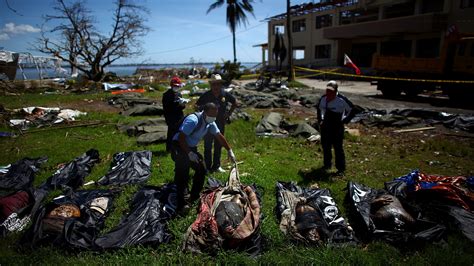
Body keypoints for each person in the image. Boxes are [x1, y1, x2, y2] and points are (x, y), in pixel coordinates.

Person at [172, 102, 236, 213]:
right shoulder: (193, 120)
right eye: (211, 115)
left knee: (201, 169)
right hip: (179, 146)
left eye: (215, 115)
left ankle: (194, 196)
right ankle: (182, 204)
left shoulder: (210, 122)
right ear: (204, 112)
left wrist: (229, 150)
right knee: (183, 172)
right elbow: (181, 138)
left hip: (191, 147)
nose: (213, 118)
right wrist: (189, 154)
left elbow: (219, 136)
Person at [196, 74, 238, 173]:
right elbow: (197, 105)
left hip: (220, 123)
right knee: (207, 145)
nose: (216, 86)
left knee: (219, 144)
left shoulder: (225, 94)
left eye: (218, 84)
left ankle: (216, 166)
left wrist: (229, 113)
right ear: (211, 85)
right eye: (214, 84)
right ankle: (207, 166)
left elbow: (235, 102)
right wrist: (202, 114)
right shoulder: (206, 95)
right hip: (208, 124)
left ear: (220, 85)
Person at [316, 80, 354, 176]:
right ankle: (327, 165)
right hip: (326, 125)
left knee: (338, 147)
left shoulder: (341, 99)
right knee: (326, 146)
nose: (329, 93)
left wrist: (345, 120)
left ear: (336, 91)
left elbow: (353, 109)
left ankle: (341, 168)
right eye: (327, 90)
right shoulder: (323, 98)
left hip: (337, 125)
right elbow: (319, 109)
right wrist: (320, 119)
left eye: (331, 91)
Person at [162, 76, 189, 152]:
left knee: (180, 131)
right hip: (170, 117)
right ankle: (169, 149)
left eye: (178, 86)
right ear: (171, 85)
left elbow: (181, 107)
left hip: (179, 116)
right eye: (175, 85)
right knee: (171, 132)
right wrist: (178, 106)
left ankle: (178, 147)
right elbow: (167, 108)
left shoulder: (179, 94)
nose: (176, 87)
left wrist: (183, 105)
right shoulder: (166, 95)